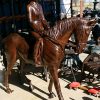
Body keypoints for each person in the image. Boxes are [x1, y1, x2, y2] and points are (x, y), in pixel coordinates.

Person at [27, 0, 50, 66]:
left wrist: (47, 26)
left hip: (41, 28)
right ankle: (35, 58)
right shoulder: (29, 6)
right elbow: (30, 21)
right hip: (34, 30)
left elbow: (43, 18)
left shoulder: (39, 6)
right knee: (39, 39)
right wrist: (38, 29)